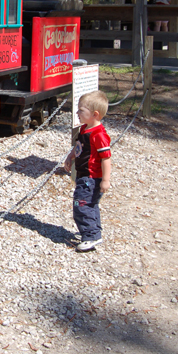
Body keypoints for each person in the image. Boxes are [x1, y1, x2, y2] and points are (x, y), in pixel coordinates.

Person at [63, 90, 112, 252]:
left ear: (95, 114)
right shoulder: (85, 129)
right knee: (90, 205)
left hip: (92, 177)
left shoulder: (99, 134)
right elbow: (78, 147)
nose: (77, 113)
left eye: (81, 111)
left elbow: (106, 158)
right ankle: (93, 231)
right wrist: (71, 157)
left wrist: (105, 180)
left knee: (82, 205)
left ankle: (91, 236)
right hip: (84, 174)